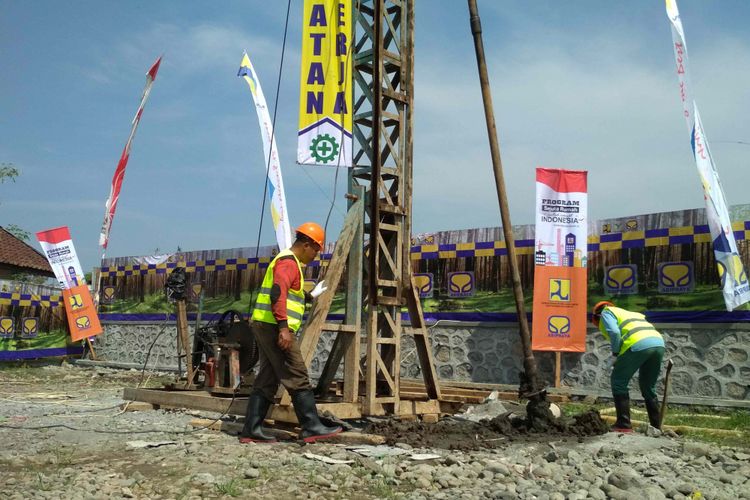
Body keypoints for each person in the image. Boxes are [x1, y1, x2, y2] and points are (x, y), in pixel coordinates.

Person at [240, 222, 342, 444]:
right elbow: (277, 293)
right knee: (297, 373)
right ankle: (311, 426)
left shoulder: (289, 262)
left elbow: (288, 294)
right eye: (316, 250)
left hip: (266, 325)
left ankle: (251, 429)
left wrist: (308, 296)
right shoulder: (288, 263)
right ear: (306, 245)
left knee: (268, 377)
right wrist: (284, 328)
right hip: (274, 327)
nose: (316, 255)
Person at [591, 301, 665, 432]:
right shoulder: (631, 313)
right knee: (648, 386)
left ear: (597, 315)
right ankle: (656, 426)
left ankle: (623, 424)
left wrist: (615, 354)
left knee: (618, 381)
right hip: (658, 343)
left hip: (637, 344)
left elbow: (614, 332)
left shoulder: (606, 312)